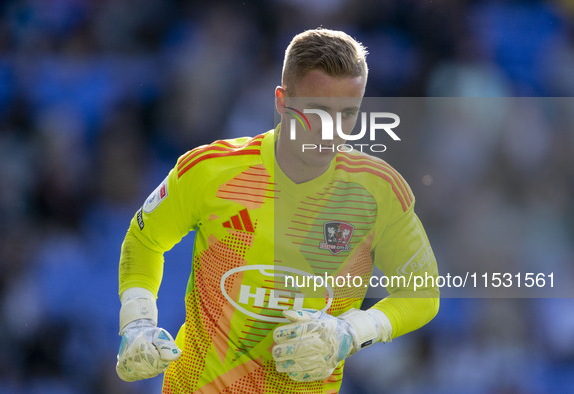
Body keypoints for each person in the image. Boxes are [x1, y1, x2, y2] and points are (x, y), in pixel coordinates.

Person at [116, 28, 439, 393]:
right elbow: (145, 238)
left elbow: (423, 292)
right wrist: (137, 322)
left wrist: (351, 332)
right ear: (282, 101)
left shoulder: (377, 191)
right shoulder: (209, 170)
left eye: (348, 114)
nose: (331, 131)